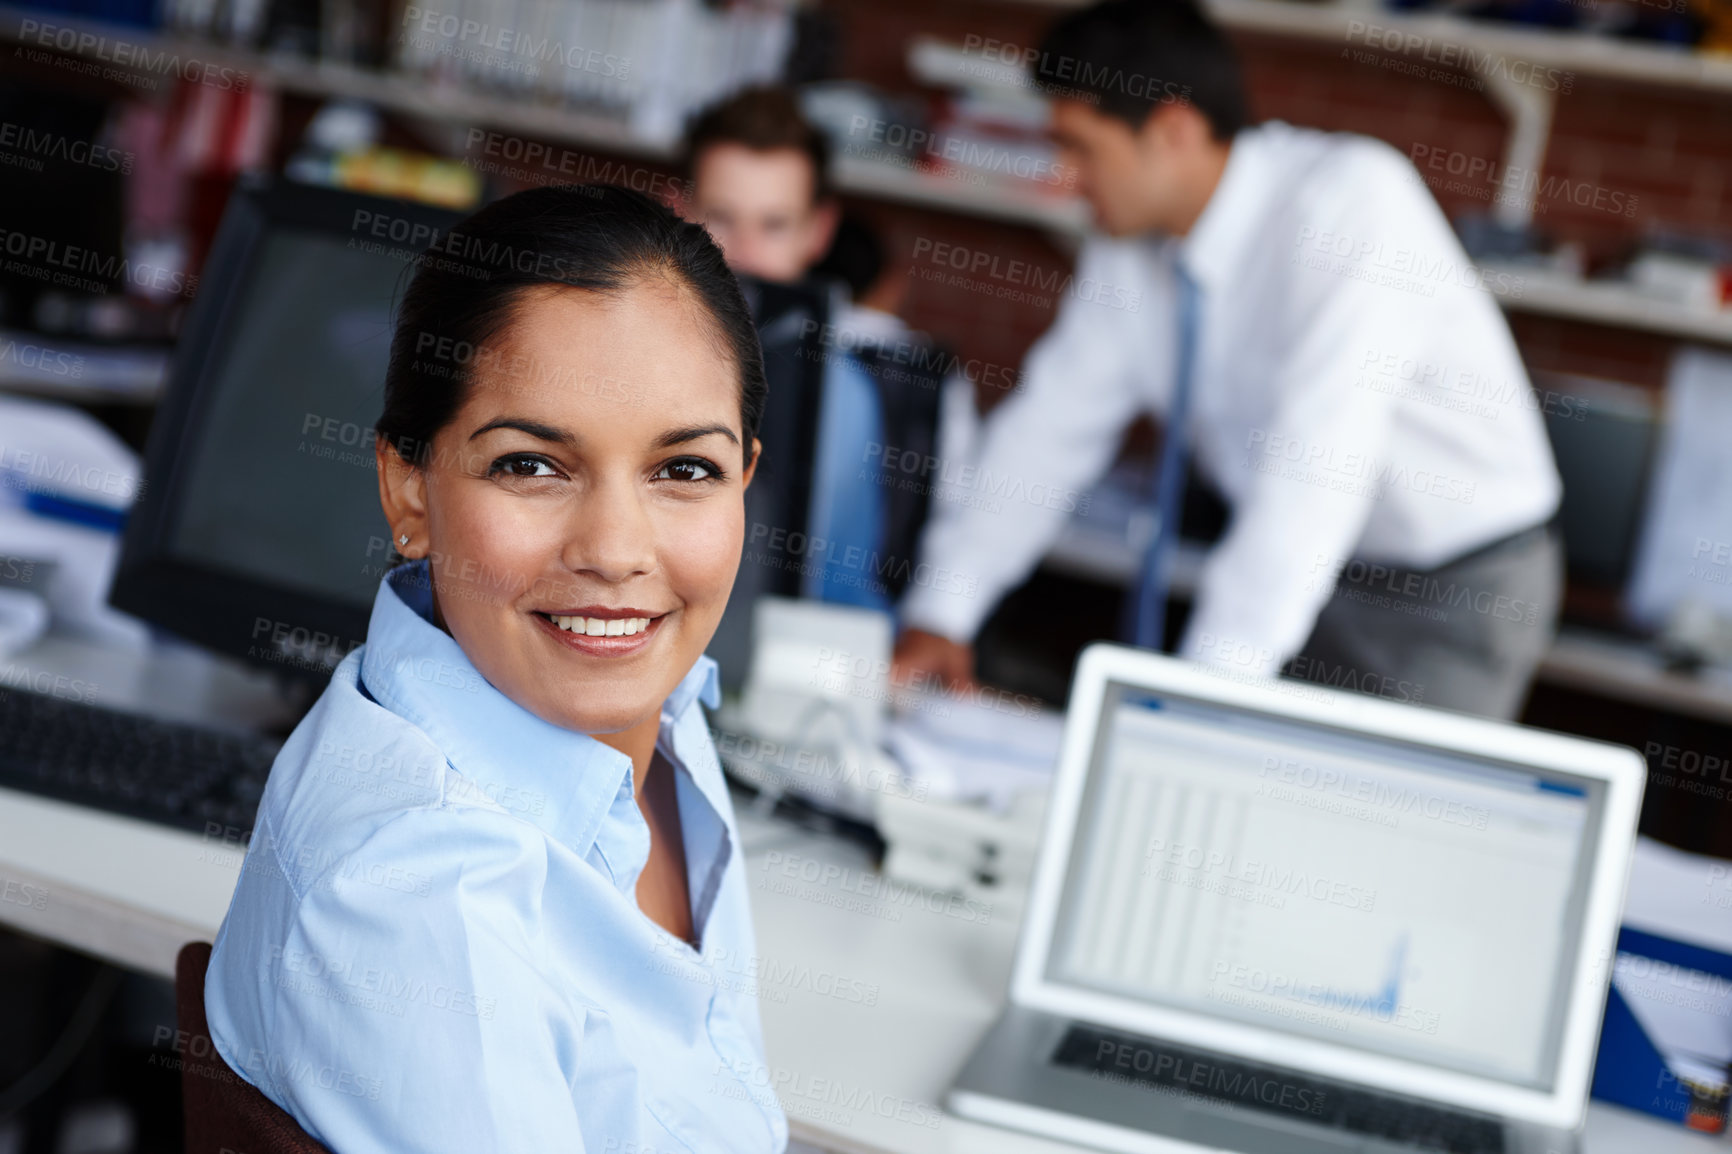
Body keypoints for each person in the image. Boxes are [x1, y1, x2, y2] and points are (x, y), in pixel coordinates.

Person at [203, 185, 789, 1153]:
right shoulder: (425, 898)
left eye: (683, 470)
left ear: (742, 481)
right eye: (531, 464)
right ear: (410, 487)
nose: (614, 549)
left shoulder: (658, 713)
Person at [894, 0, 1564, 720]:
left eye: (1080, 147)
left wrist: (1196, 701)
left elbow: (1316, 468)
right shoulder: (1133, 250)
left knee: (1381, 816)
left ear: (1173, 131)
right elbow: (1046, 433)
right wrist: (945, 609)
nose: (1063, 178)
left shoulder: (1349, 205)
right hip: (1306, 572)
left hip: (1451, 588)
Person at [682, 86, 977, 610]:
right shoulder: (615, 362)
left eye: (774, 225)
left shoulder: (849, 397)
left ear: (818, 232)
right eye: (722, 218)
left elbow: (844, 593)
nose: (744, 254)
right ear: (680, 210)